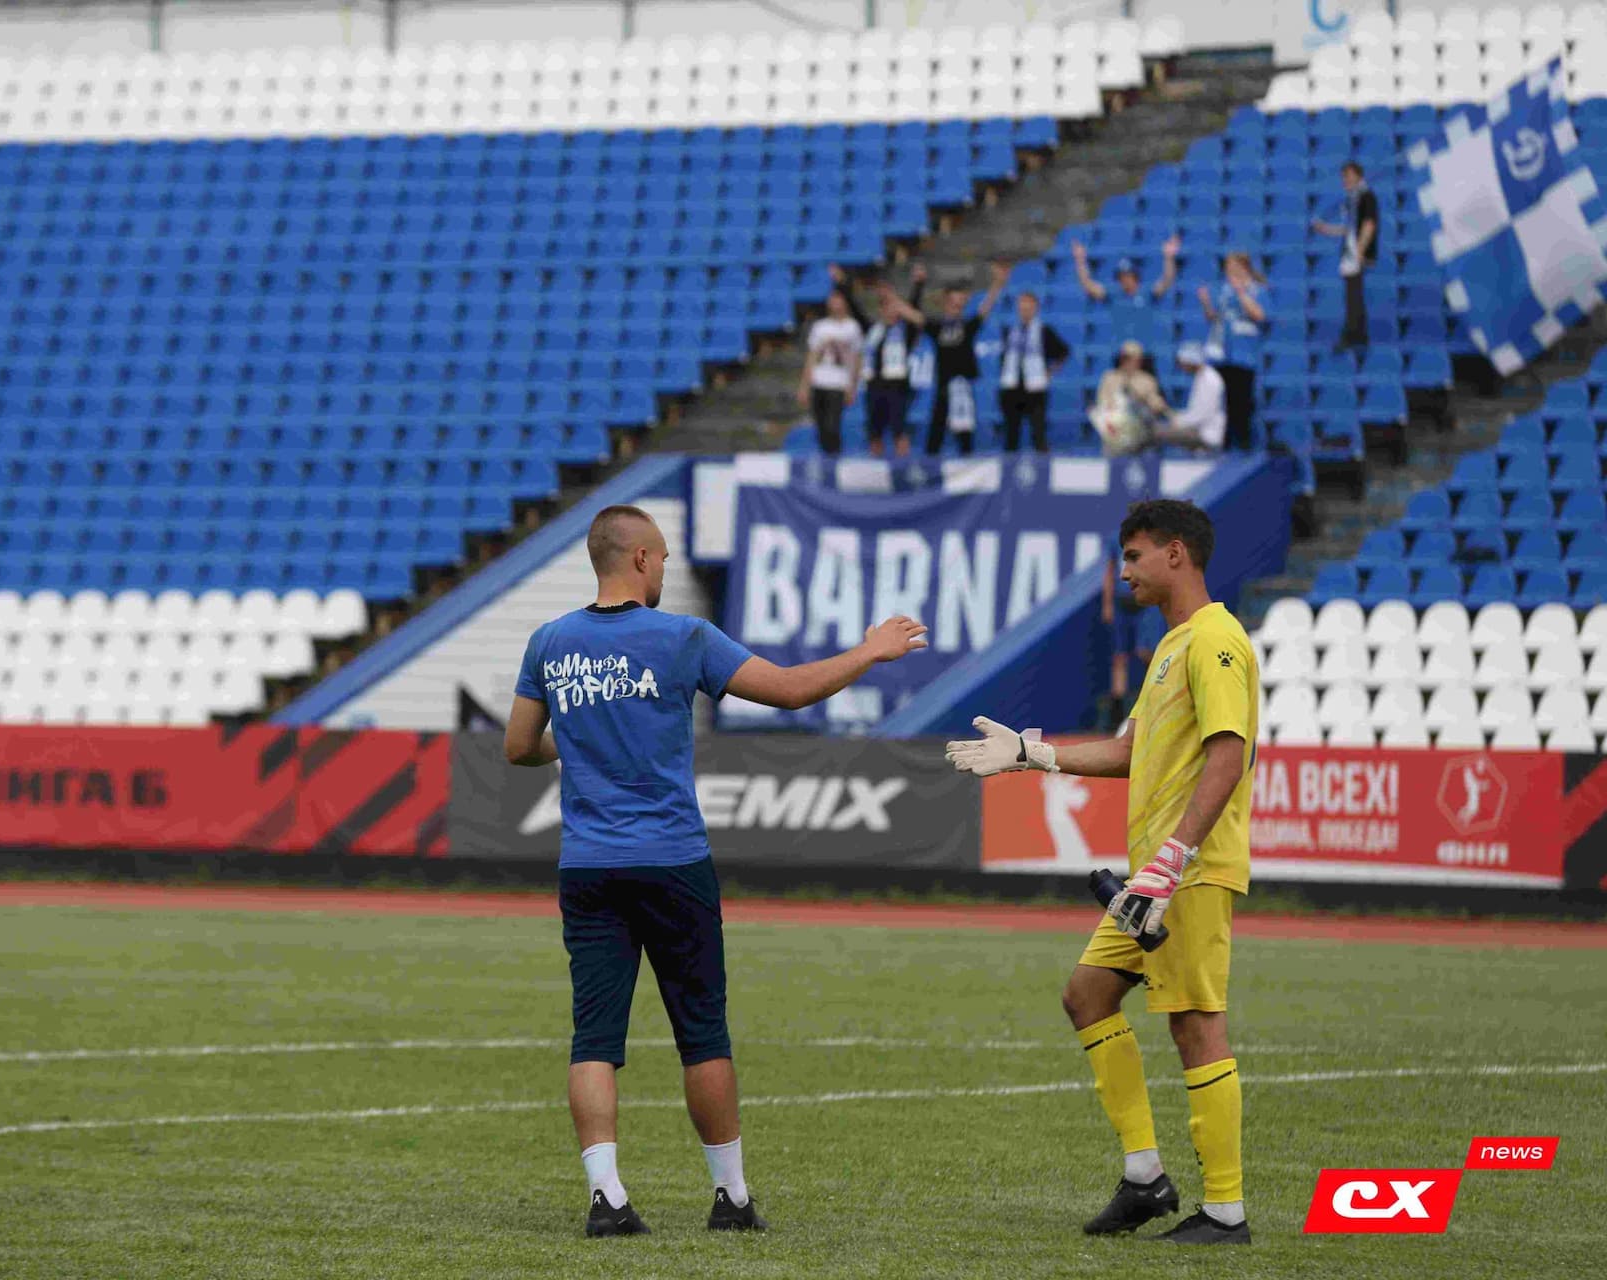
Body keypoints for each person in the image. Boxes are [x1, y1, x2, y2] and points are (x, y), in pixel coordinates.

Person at [502, 504, 929, 1239]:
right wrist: (870, 651)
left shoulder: (550, 642)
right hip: (672, 862)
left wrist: (569, 745)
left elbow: (517, 747)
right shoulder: (682, 637)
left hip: (589, 868)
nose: (665, 568)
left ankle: (607, 1197)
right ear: (639, 560)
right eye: (662, 557)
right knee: (701, 1032)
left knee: (594, 1038)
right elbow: (791, 690)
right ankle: (729, 1197)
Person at [945, 498, 1258, 1247]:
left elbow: (1228, 752)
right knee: (1086, 995)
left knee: (1194, 1026)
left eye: (1134, 557)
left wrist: (1175, 858)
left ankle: (1225, 1212)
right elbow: (1129, 753)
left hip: (1187, 873)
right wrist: (1034, 754)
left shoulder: (1216, 640)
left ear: (1176, 554)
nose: (1125, 573)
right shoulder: (1173, 646)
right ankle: (1146, 1178)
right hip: (1154, 878)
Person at [912, 260, 1010, 456]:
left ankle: (967, 471)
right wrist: (916, 286)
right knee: (936, 431)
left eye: (960, 301)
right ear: (946, 302)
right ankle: (931, 472)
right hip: (943, 387)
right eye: (953, 301)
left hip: (963, 386)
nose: (956, 305)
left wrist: (998, 284)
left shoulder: (968, 326)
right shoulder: (936, 327)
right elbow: (913, 315)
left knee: (965, 433)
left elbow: (985, 307)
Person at [831, 265, 923, 458]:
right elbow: (855, 309)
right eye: (884, 306)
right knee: (875, 433)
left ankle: (902, 469)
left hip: (897, 386)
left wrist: (918, 285)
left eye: (892, 306)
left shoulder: (906, 331)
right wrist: (841, 283)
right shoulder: (873, 329)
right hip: (875, 386)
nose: (889, 310)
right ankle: (878, 470)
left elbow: (915, 308)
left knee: (899, 430)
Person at [1072, 235, 1180, 385]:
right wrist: (1080, 261)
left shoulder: (1147, 294)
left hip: (1144, 354)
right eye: (1122, 277)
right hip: (1122, 354)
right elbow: (1088, 285)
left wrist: (1169, 258)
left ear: (1135, 277)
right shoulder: (1113, 296)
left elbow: (1167, 280)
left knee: (1150, 392)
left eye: (1128, 276)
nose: (1125, 280)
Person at [1196, 253, 1267, 452]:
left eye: (1233, 267)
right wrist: (1205, 303)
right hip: (1222, 355)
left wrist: (1241, 293)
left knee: (1242, 403)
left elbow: (1259, 315)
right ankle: (1224, 446)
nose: (1230, 271)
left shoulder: (1256, 290)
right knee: (1221, 404)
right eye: (1227, 267)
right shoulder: (1223, 292)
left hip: (1244, 356)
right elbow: (1213, 317)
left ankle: (1244, 445)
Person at [1312, 160, 1379, 354]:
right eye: (1344, 176)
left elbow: (1369, 224)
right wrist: (1326, 229)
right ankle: (1359, 333)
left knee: (1353, 295)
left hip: (1356, 253)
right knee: (1353, 294)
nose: (1345, 180)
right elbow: (1349, 229)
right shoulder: (1353, 199)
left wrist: (1360, 250)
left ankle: (1352, 334)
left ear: (1358, 175)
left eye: (1348, 176)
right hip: (1350, 251)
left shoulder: (1366, 196)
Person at [997, 290, 1070, 453]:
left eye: (1029, 307)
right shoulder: (1010, 330)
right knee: (1011, 433)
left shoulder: (1044, 331)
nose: (1025, 310)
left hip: (1035, 388)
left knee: (1038, 432)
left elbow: (1064, 351)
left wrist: (1050, 372)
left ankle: (1043, 471)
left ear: (1036, 308)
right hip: (1012, 386)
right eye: (1022, 306)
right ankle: (1009, 470)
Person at [797, 287, 864, 455]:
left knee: (832, 426)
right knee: (820, 427)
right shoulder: (820, 327)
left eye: (838, 299)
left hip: (838, 383)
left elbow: (856, 360)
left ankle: (835, 460)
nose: (834, 303)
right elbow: (811, 357)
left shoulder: (853, 327)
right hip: (819, 381)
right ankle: (827, 462)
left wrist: (853, 386)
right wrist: (804, 386)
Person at [1090, 340, 1168, 456]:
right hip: (1116, 426)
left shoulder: (1147, 380)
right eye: (1126, 358)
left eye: (1133, 358)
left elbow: (1155, 404)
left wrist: (1149, 401)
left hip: (1139, 427)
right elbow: (1102, 400)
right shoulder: (1109, 377)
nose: (1129, 362)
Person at [1151, 343, 1227, 452]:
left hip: (1206, 436)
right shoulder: (1202, 377)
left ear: (1191, 361)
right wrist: (1177, 417)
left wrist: (1178, 422)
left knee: (1155, 431)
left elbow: (1202, 414)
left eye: (1183, 363)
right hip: (1198, 430)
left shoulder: (1209, 380)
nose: (1182, 367)